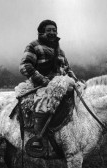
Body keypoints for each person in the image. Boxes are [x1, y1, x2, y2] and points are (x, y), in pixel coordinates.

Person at [19, 19, 75, 155]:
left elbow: (67, 69)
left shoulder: (60, 51)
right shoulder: (33, 46)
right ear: (41, 32)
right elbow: (25, 66)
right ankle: (38, 139)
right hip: (41, 84)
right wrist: (43, 81)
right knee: (43, 102)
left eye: (54, 30)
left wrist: (75, 79)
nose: (52, 32)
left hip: (61, 84)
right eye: (48, 30)